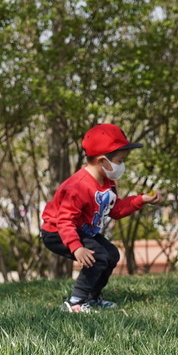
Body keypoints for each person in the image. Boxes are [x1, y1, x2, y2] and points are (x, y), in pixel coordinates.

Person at [41, 123, 162, 312]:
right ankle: (75, 303)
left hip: (80, 230)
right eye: (120, 160)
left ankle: (92, 297)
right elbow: (65, 220)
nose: (122, 165)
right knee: (97, 257)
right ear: (102, 161)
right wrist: (77, 247)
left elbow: (116, 210)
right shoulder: (78, 187)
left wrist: (142, 200)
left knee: (111, 255)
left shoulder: (107, 182)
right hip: (58, 231)